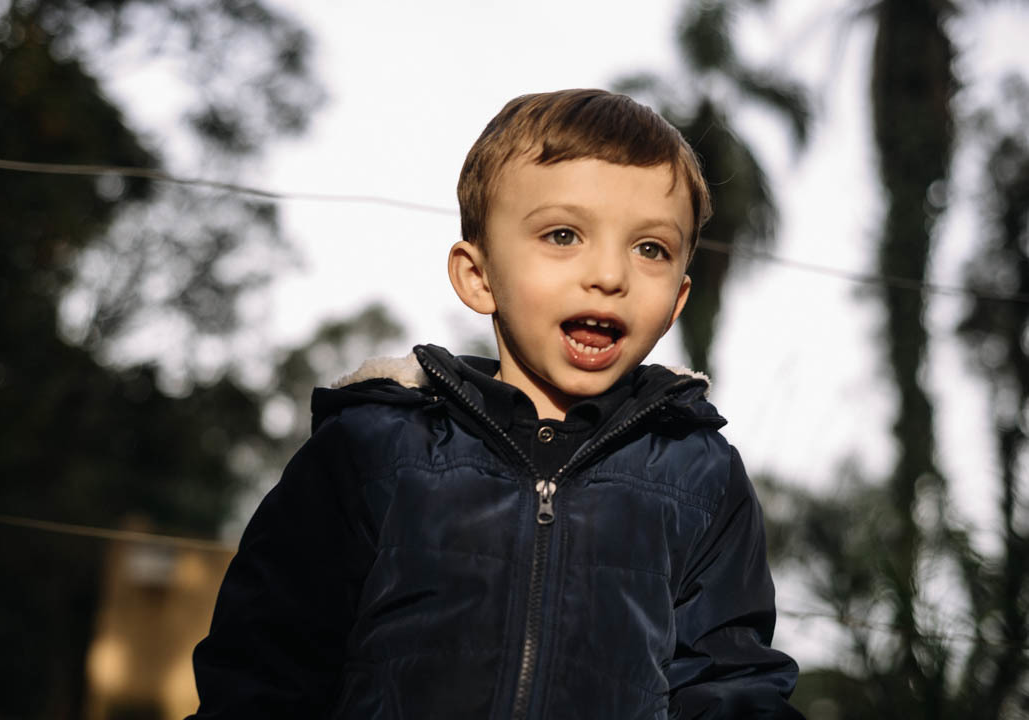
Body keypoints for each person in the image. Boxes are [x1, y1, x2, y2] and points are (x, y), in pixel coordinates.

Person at [188, 88, 804, 719]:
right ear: (478, 277)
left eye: (651, 249)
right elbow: (265, 668)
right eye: (563, 235)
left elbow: (730, 686)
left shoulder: (700, 476)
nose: (610, 275)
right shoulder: (373, 448)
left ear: (677, 300)